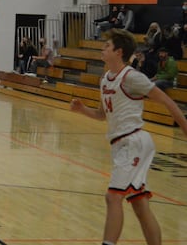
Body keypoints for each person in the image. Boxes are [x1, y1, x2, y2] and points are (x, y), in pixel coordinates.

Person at [70, 28, 187, 245]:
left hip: (134, 141)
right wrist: (82, 109)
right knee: (140, 204)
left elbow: (169, 102)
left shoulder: (132, 78)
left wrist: (185, 127)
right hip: (121, 144)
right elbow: (101, 115)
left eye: (107, 46)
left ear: (119, 52)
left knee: (113, 196)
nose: (103, 49)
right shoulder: (105, 79)